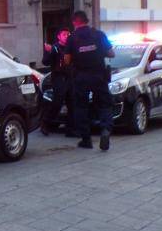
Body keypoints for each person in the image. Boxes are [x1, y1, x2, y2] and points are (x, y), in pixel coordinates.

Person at [64, 10, 115, 151]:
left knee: (81, 107)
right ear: (87, 20)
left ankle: (86, 139)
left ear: (75, 22)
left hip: (81, 77)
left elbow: (67, 60)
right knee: (105, 104)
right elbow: (112, 53)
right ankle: (105, 129)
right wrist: (98, 51)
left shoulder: (72, 38)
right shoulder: (99, 35)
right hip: (99, 75)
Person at [41, 28, 74, 136]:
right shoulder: (55, 48)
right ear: (59, 36)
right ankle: (46, 123)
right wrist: (49, 52)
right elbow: (45, 62)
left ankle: (70, 129)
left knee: (72, 103)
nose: (67, 36)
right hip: (59, 77)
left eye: (68, 34)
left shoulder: (71, 47)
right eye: (64, 34)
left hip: (70, 77)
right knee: (57, 102)